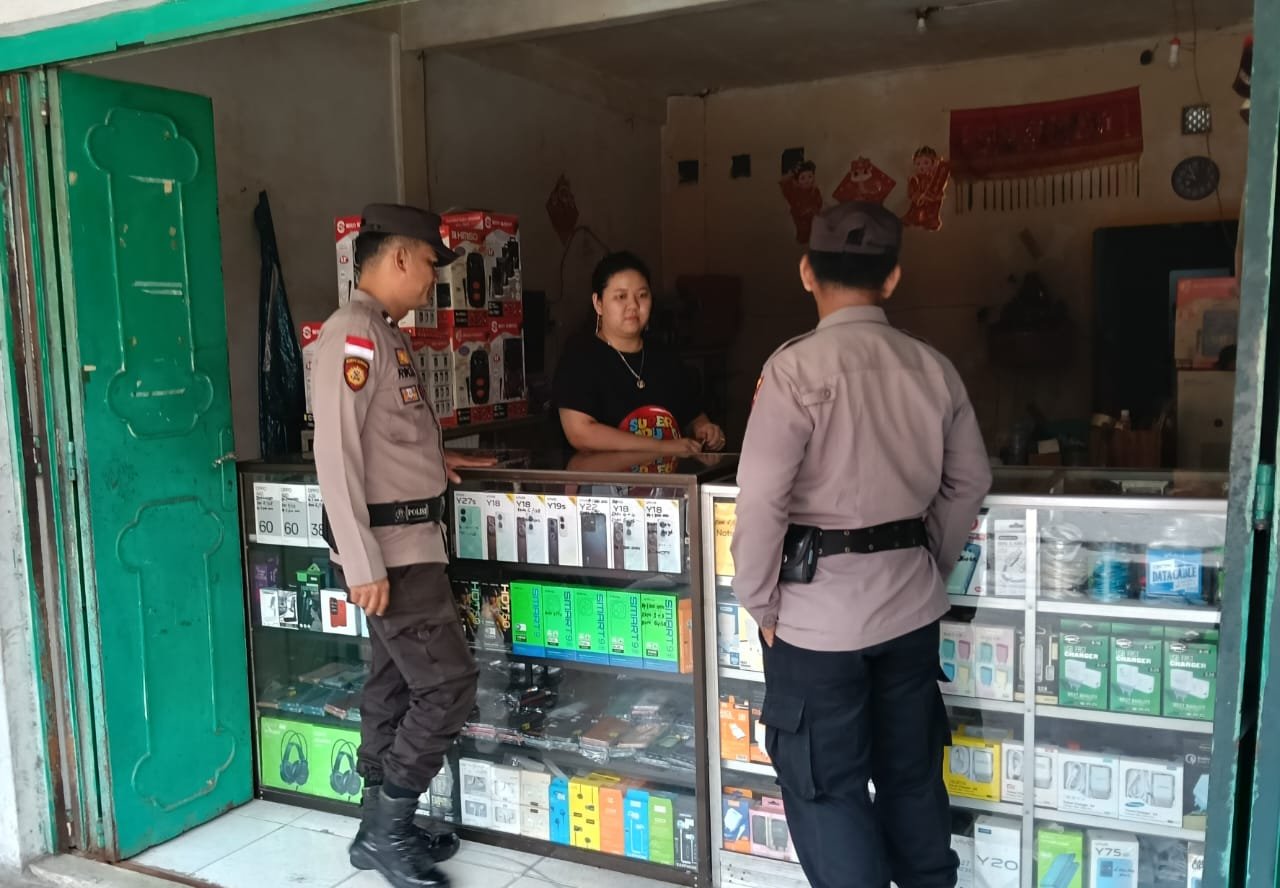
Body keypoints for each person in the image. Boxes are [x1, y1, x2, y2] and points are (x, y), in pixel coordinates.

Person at [731, 202, 991, 888]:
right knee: (911, 775)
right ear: (893, 278)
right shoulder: (933, 367)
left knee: (827, 788)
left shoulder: (792, 371)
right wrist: (926, 564)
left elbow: (762, 498)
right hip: (910, 612)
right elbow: (970, 481)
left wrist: (760, 601)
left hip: (815, 624)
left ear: (806, 272)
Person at [313, 203, 494, 888]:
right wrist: (361, 561)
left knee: (392, 685)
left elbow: (383, 438)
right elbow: (335, 455)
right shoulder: (354, 334)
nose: (431, 281)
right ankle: (389, 831)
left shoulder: (383, 333)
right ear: (396, 258)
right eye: (426, 265)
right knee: (448, 686)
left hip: (409, 542)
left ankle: (375, 828)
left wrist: (434, 465)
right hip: (391, 553)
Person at [554, 251, 727, 454]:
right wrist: (661, 447)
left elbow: (693, 415)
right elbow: (581, 433)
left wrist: (705, 429)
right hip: (600, 475)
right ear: (598, 303)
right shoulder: (580, 356)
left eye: (642, 295)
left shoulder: (664, 356)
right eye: (621, 297)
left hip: (667, 474)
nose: (633, 305)